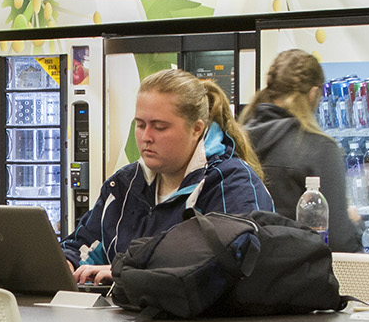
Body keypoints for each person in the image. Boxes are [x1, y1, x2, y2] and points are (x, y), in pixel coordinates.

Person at [61, 67, 274, 284]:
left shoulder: (231, 184)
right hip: (118, 316)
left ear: (196, 129)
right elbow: (83, 245)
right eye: (140, 125)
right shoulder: (123, 185)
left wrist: (126, 272)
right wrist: (66, 263)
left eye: (159, 127)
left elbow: (230, 267)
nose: (146, 137)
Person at [240, 49, 361, 252]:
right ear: (313, 93)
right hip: (299, 275)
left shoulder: (239, 138)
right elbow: (339, 240)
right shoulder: (320, 147)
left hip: (246, 272)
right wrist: (354, 225)